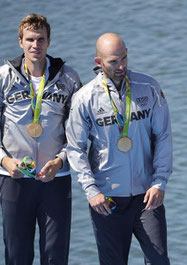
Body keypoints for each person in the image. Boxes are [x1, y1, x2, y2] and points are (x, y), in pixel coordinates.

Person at [66, 33, 172, 265]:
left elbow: (163, 136)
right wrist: (91, 190)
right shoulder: (85, 98)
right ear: (98, 62)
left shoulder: (149, 87)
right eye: (114, 61)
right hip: (107, 199)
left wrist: (159, 182)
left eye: (124, 58)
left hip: (147, 195)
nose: (121, 66)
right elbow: (75, 148)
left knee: (159, 261)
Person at [0, 14, 81, 265]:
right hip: (14, 177)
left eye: (41, 39)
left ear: (49, 42)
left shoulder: (68, 78)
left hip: (55, 178)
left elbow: (79, 132)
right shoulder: (3, 77)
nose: (36, 45)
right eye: (30, 39)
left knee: (55, 255)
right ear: (20, 42)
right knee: (17, 255)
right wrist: (4, 161)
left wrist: (60, 161)